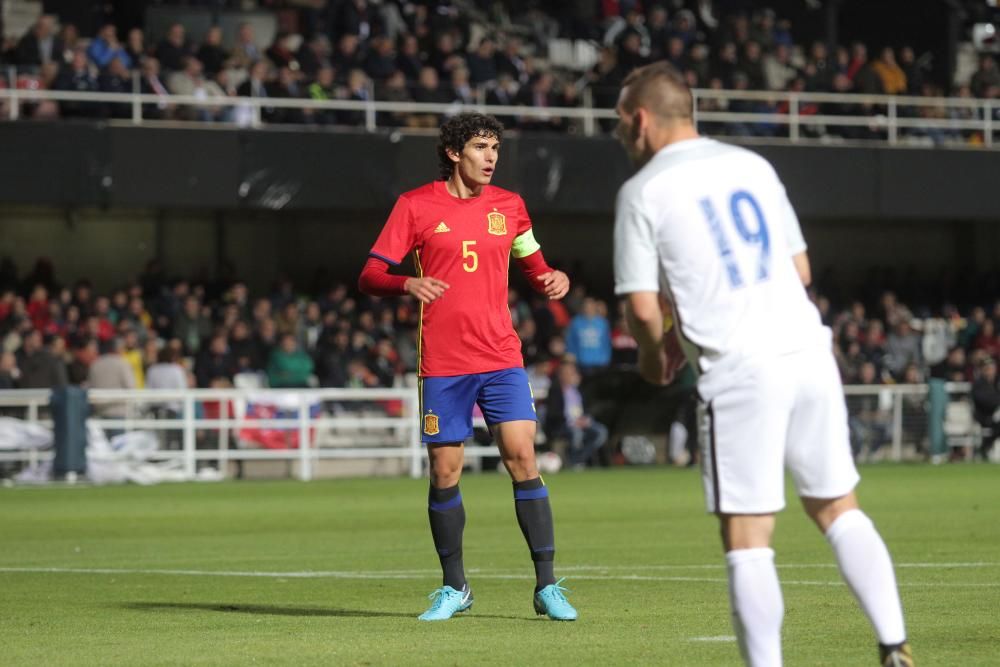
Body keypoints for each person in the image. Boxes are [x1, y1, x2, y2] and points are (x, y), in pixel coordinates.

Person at [611, 62, 911, 667]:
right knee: (837, 507)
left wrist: (655, 352)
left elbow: (642, 309)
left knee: (747, 540)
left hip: (740, 368)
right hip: (807, 349)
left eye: (620, 121)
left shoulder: (642, 192)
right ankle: (894, 646)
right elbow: (800, 270)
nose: (619, 134)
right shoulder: (754, 165)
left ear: (640, 119)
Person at [358, 112, 577, 622]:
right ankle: (455, 587)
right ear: (455, 153)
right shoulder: (414, 206)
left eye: (495, 147)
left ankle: (547, 586)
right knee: (445, 471)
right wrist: (405, 283)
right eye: (481, 146)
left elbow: (534, 264)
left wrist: (553, 277)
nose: (491, 156)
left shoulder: (510, 206)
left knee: (523, 458)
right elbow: (370, 274)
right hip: (444, 362)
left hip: (501, 355)